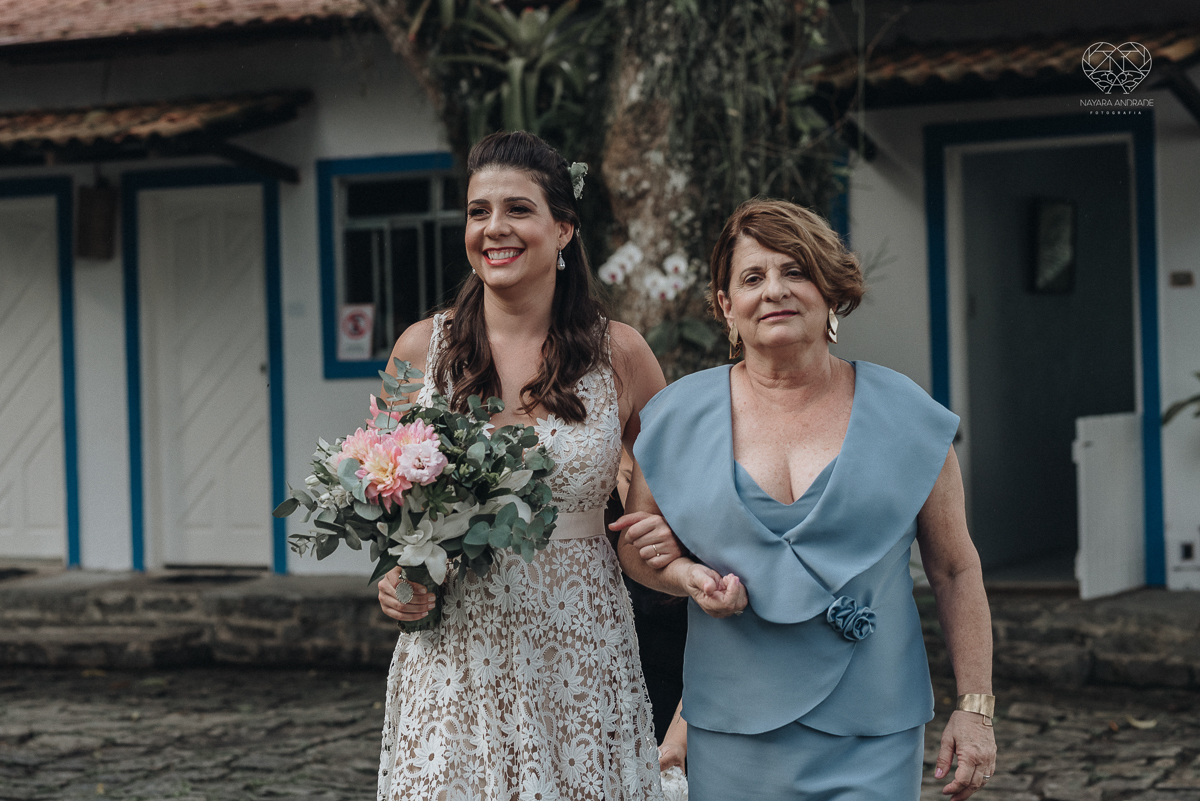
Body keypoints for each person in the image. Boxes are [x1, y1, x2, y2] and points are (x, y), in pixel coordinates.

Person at [613, 199, 997, 801]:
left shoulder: (908, 416)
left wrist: (975, 707)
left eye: (796, 271)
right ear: (726, 307)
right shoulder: (675, 418)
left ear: (831, 292)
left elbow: (954, 567)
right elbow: (638, 553)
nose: (775, 291)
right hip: (731, 722)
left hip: (874, 721)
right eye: (752, 278)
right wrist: (687, 575)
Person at [373, 130, 679, 801]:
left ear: (564, 228)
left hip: (578, 646)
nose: (493, 228)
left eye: (517, 209)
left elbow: (658, 521)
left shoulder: (621, 355)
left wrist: (695, 573)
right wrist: (398, 578)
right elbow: (389, 508)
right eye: (479, 212)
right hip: (456, 653)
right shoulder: (419, 351)